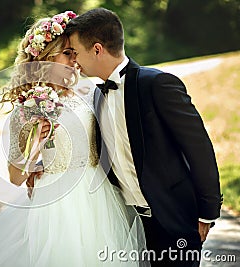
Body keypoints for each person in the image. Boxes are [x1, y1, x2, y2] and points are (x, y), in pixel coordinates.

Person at [0, 11, 149, 267]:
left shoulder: (88, 91)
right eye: (67, 54)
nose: (75, 61)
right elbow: (15, 177)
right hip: (60, 202)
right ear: (46, 57)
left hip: (103, 191)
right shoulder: (28, 108)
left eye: (76, 53)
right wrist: (36, 148)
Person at [65, 8, 222, 267]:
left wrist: (207, 213)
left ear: (96, 49)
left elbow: (199, 148)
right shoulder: (96, 95)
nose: (74, 60)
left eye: (75, 52)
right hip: (127, 225)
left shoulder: (158, 84)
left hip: (173, 219)